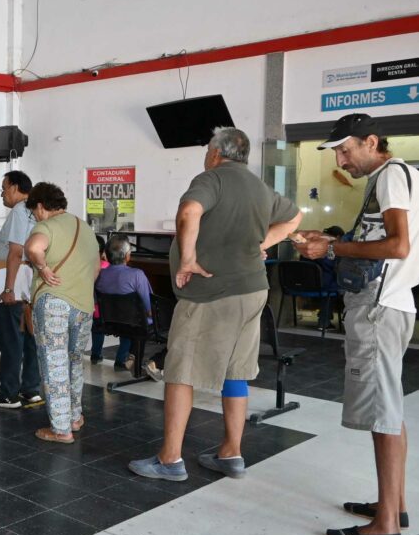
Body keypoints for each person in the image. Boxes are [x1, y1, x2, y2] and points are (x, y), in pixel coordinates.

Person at [129, 127, 302, 482]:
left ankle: (170, 459)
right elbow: (294, 217)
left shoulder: (212, 179)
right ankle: (231, 453)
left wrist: (188, 259)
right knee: (236, 371)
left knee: (180, 370)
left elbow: (189, 211)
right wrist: (261, 244)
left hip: (210, 293)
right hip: (253, 291)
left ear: (215, 152)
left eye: (207, 148)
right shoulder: (259, 186)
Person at [297, 114, 418, 535]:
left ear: (371, 142)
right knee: (390, 410)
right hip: (389, 304)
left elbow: (398, 246)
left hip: (379, 309)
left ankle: (385, 527)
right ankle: (393, 507)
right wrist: (331, 242)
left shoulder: (391, 176)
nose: (341, 161)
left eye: (345, 151)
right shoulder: (393, 177)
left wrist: (330, 246)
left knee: (383, 414)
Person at [24, 183, 100, 443]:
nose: (35, 217)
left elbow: (34, 248)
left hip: (54, 303)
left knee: (54, 363)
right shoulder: (85, 228)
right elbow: (95, 270)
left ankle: (61, 429)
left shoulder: (46, 226)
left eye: (33, 212)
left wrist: (43, 268)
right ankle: (75, 418)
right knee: (75, 361)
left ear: (40, 206)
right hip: (83, 304)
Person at [0, 171, 44, 410]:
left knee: (9, 337)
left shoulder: (20, 210)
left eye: (4, 188)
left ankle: (9, 393)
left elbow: (16, 252)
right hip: (31, 282)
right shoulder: (36, 209)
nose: (2, 194)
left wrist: (8, 287)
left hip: (12, 281)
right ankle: (31, 389)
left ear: (16, 187)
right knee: (29, 335)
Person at [95, 236, 153, 370]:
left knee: (129, 320)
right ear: (127, 256)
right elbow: (149, 307)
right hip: (134, 324)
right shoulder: (137, 274)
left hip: (109, 322)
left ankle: (126, 359)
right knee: (142, 321)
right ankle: (133, 359)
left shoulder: (99, 274)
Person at [300, 224, 344, 328]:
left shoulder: (309, 248)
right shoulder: (328, 251)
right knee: (340, 288)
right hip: (322, 286)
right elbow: (333, 267)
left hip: (303, 285)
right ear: (337, 237)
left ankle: (324, 318)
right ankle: (324, 322)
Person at [90, 234, 109, 364]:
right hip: (104, 308)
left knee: (96, 329)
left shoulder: (83, 266)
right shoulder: (107, 266)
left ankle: (95, 354)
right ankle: (96, 354)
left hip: (91, 305)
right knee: (98, 328)